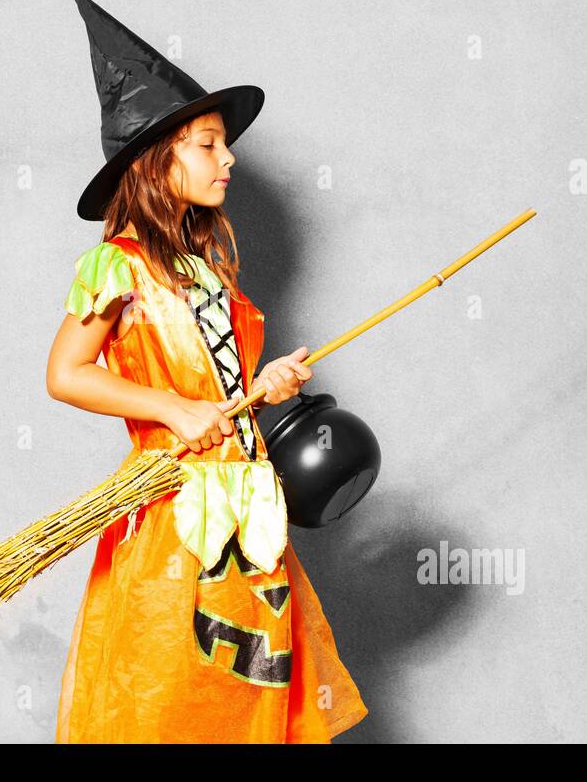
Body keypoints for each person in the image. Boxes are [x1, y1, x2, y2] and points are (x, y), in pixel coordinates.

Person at [47, 100, 369, 741]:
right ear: (154, 163)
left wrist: (263, 387)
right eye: (207, 145)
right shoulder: (120, 266)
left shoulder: (208, 270)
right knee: (168, 696)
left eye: (224, 145)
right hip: (175, 515)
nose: (229, 158)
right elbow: (66, 373)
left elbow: (218, 391)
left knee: (249, 699)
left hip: (247, 514)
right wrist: (170, 409)